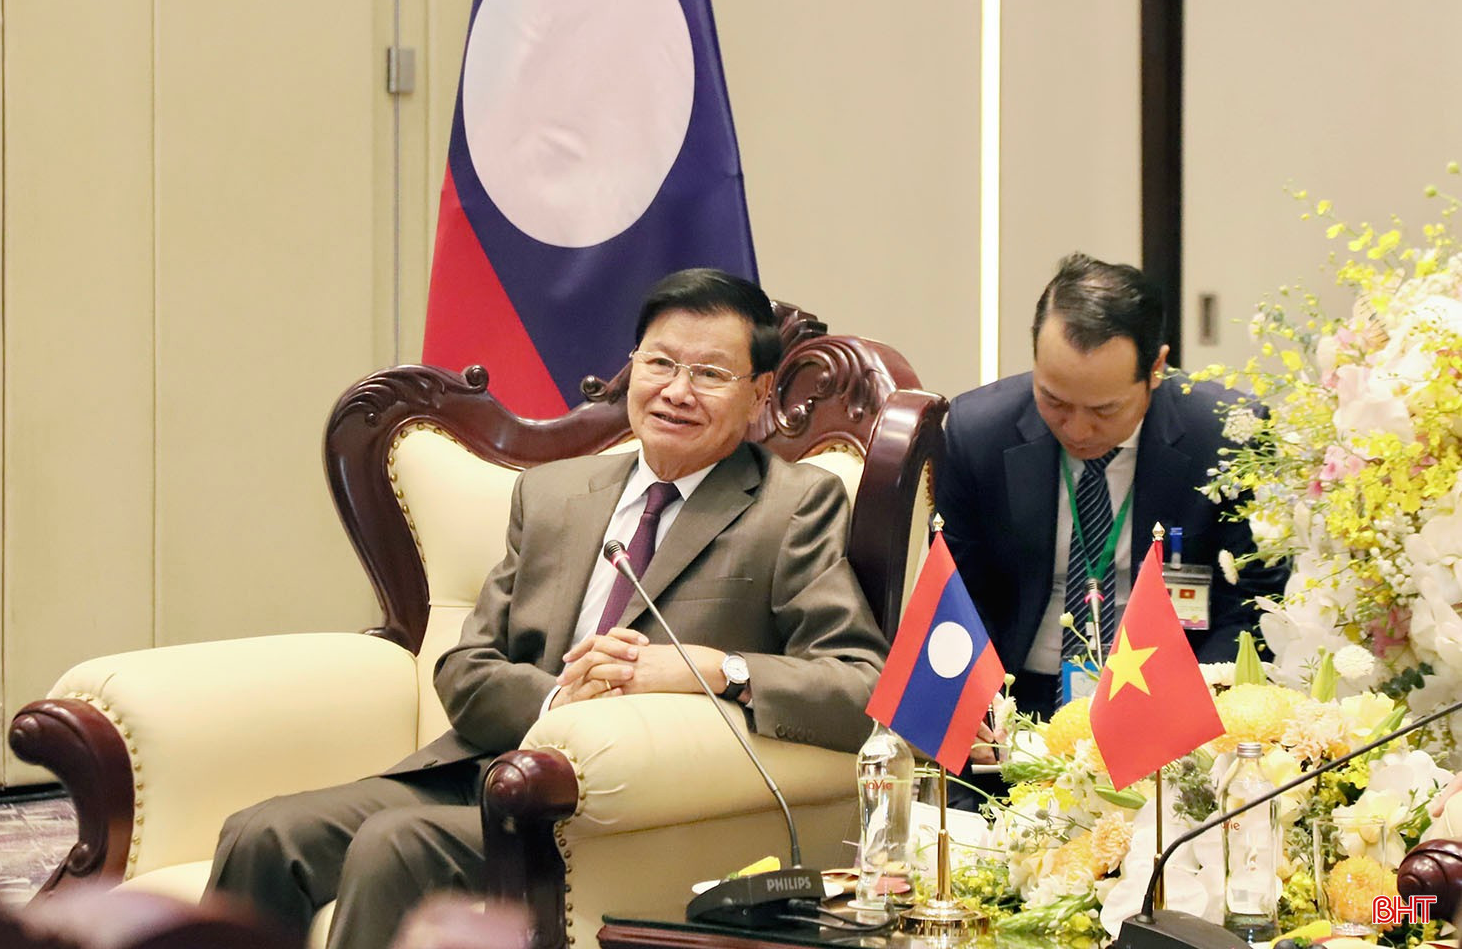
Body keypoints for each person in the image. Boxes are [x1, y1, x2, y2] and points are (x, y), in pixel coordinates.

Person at [204, 268, 890, 949]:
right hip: (484, 768)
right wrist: (559, 699)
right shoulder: (554, 495)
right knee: (262, 832)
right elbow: (465, 667)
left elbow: (863, 689)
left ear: (759, 394)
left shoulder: (791, 506)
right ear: (633, 367)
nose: (677, 391)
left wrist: (715, 671)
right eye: (660, 363)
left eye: (710, 374)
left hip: (613, 810)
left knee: (396, 843)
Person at [936, 253, 1287, 722]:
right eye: (1054, 400)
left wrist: (1189, 714)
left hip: (1174, 696)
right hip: (1016, 700)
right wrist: (974, 709)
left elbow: (1253, 605)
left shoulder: (1226, 438)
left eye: (1104, 410)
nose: (1077, 430)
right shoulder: (978, 432)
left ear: (1156, 369)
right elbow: (957, 594)